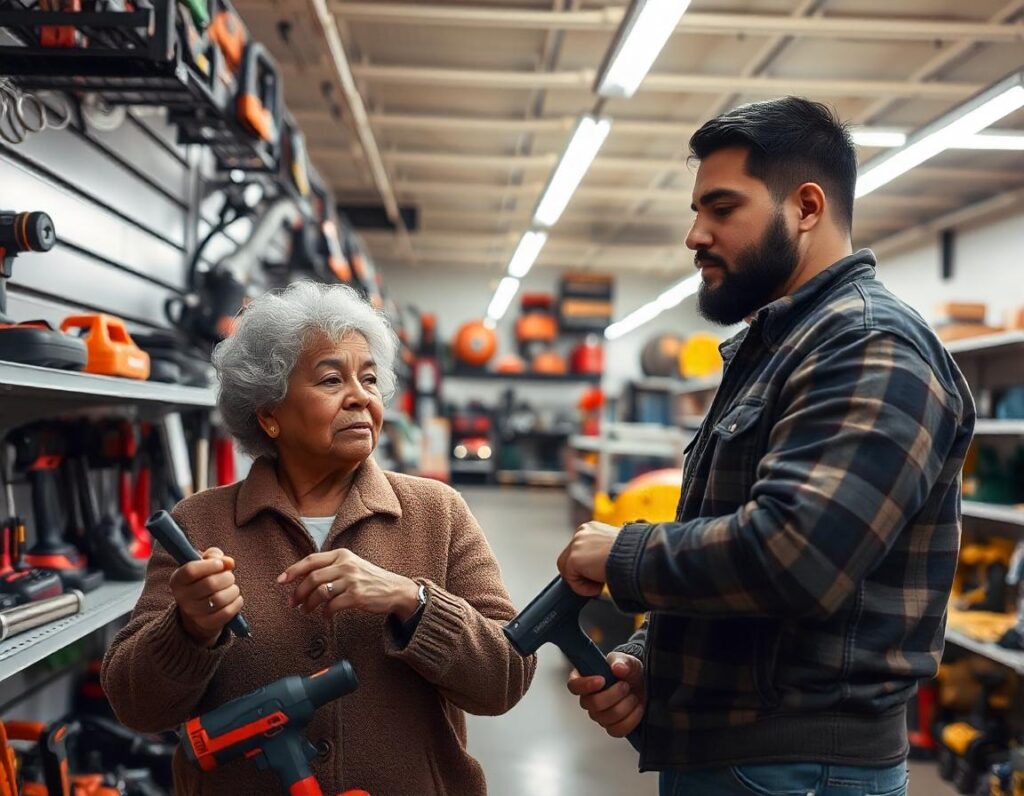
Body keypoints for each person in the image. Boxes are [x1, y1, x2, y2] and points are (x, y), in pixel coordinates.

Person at [557, 97, 975, 796]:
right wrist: (648, 656)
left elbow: (798, 556)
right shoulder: (777, 347)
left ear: (806, 206)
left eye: (722, 209)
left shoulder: (870, 344)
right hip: (745, 759)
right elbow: (726, 543)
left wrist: (623, 554)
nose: (695, 234)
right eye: (697, 211)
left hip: (801, 770)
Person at [102, 281, 535, 795]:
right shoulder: (201, 523)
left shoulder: (436, 513)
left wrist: (411, 600)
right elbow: (137, 705)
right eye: (332, 380)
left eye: (370, 379)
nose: (360, 396)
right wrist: (190, 630)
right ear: (269, 414)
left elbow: (505, 676)